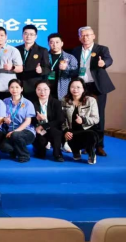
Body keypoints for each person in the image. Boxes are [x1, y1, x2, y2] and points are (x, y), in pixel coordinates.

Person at [71, 26, 114, 157]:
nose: (86, 37)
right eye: (83, 35)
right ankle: (87, 144)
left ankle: (99, 146)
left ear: (93, 36)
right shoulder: (76, 50)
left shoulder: (102, 49)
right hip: (82, 87)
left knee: (98, 115)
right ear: (79, 37)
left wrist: (103, 63)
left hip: (97, 86)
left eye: (88, 35)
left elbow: (109, 59)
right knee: (82, 115)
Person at [62, 78, 100, 165]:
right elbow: (62, 119)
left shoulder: (91, 100)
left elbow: (96, 119)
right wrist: (65, 131)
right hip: (72, 131)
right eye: (72, 87)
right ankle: (75, 150)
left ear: (83, 89)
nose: (75, 89)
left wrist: (83, 120)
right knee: (70, 136)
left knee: (91, 135)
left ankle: (91, 153)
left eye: (78, 87)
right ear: (69, 88)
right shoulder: (64, 100)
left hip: (87, 129)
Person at [3, 79, 36, 163]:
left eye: (17, 87)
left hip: (26, 131)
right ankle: (15, 150)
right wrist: (5, 119)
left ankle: (24, 155)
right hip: (10, 131)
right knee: (3, 146)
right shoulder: (5, 101)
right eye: (12, 87)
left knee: (15, 135)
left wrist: (15, 131)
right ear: (9, 89)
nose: (14, 89)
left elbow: (28, 121)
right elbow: (2, 117)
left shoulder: (28, 103)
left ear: (21, 89)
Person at [32, 81, 65, 161]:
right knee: (40, 155)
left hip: (52, 127)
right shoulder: (32, 103)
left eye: (45, 89)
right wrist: (36, 119)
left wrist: (44, 125)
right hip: (38, 129)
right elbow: (29, 119)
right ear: (36, 91)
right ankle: (39, 150)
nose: (42, 92)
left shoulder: (56, 102)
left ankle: (57, 154)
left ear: (49, 90)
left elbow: (60, 119)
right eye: (39, 89)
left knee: (56, 133)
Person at [16, 24, 50, 98]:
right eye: (26, 34)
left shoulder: (42, 50)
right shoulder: (16, 49)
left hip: (34, 86)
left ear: (35, 36)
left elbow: (47, 68)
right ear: (22, 35)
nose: (28, 36)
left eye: (31, 34)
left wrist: (41, 70)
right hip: (18, 85)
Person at [0, 26, 24, 99]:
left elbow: (20, 68)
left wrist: (12, 67)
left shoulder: (13, 50)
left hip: (8, 86)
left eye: (2, 35)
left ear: (6, 37)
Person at [46, 33, 77, 100]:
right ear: (48, 44)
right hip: (46, 89)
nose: (54, 45)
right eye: (52, 42)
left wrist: (66, 68)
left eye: (57, 42)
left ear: (62, 43)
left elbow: (75, 73)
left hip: (63, 90)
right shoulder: (44, 56)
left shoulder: (70, 57)